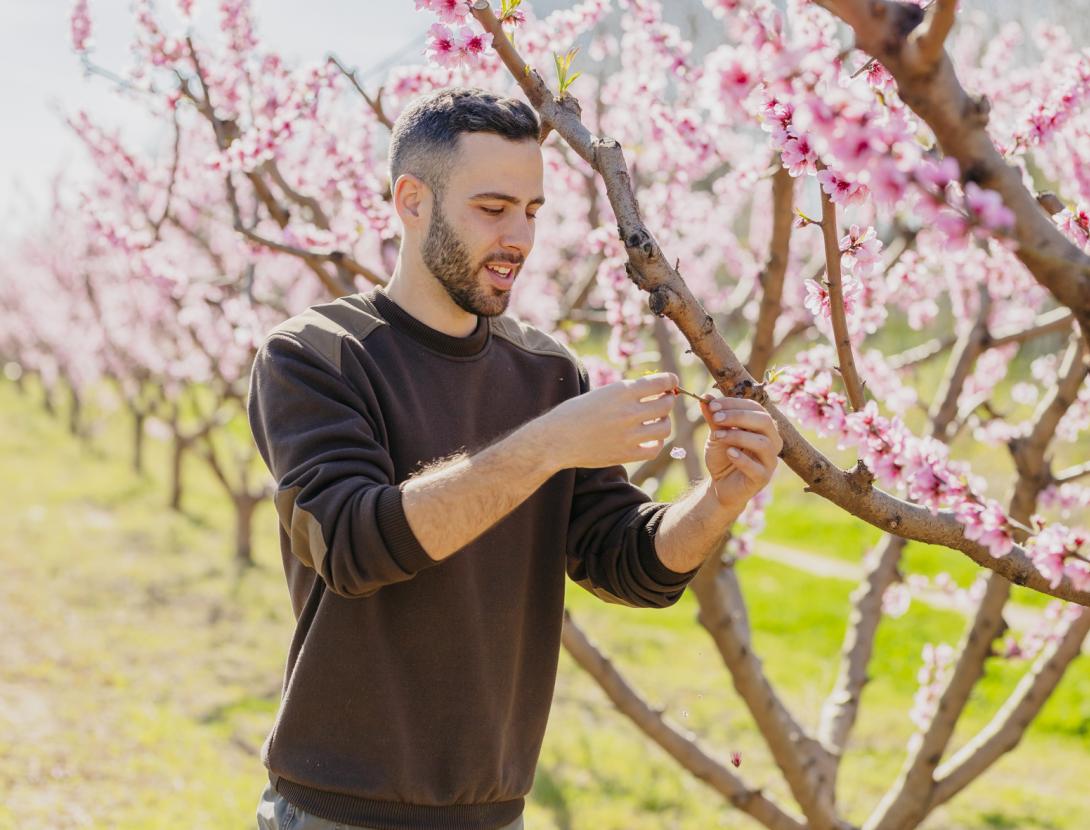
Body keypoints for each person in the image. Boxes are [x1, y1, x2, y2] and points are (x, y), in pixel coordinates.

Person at [248, 87, 782, 830]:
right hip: (341, 808)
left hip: (496, 811)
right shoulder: (315, 354)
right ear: (412, 201)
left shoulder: (546, 371)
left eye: (532, 211)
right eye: (493, 208)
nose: (519, 239)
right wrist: (552, 441)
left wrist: (719, 497)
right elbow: (353, 546)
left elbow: (627, 562)